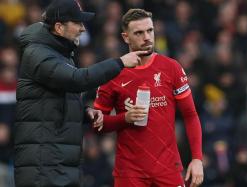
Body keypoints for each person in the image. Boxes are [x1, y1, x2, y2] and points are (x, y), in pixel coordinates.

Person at [14, 0, 148, 186]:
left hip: (57, 160)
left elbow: (57, 100)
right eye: (77, 23)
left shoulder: (60, 53)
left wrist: (86, 112)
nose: (83, 28)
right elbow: (78, 80)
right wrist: (119, 63)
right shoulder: (37, 53)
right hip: (42, 165)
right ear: (59, 27)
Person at [93, 9, 204, 187]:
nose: (147, 37)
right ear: (125, 37)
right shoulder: (112, 73)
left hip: (168, 168)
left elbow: (190, 115)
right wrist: (124, 119)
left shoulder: (171, 68)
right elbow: (96, 124)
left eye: (150, 31)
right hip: (129, 172)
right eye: (139, 33)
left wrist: (197, 158)